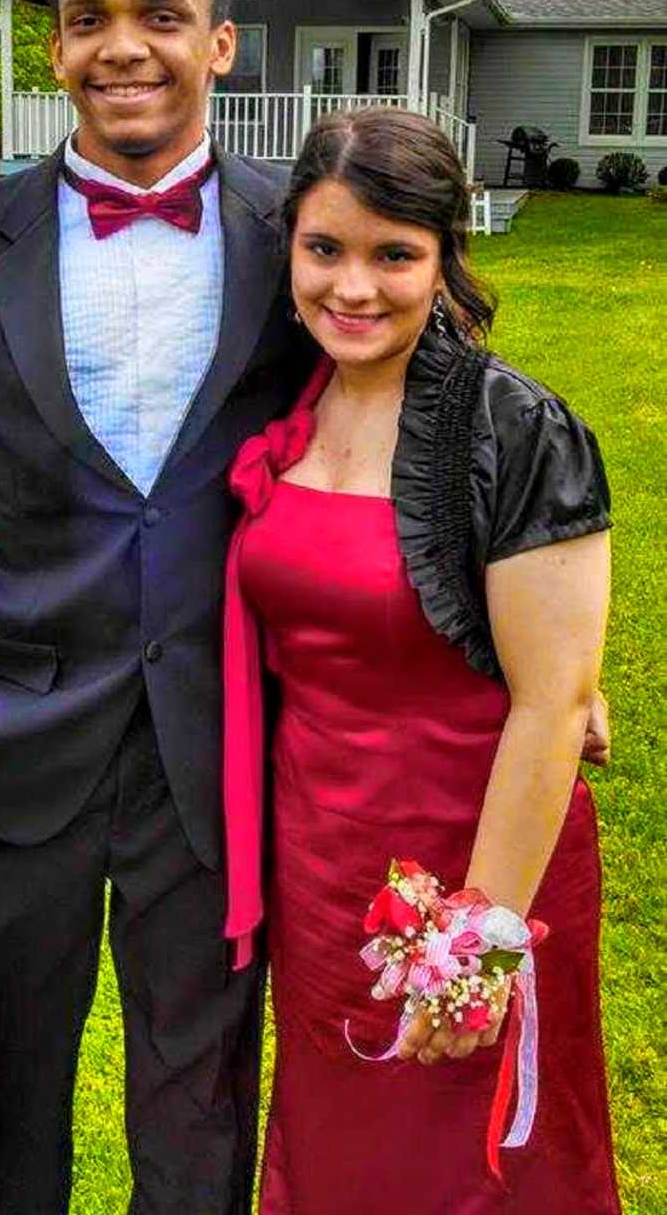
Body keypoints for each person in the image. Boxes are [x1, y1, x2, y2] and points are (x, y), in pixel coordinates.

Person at [0, 0, 311, 1215]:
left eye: (160, 17)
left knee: (201, 1115)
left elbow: (425, 438)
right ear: (55, 53)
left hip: (217, 751)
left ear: (221, 45)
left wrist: (537, 641)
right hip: (1, 738)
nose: (124, 47)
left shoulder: (307, 240)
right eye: (88, 19)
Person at [221, 107, 622, 1213]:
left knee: (474, 1165)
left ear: (445, 257)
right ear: (289, 250)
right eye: (325, 249)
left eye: (395, 254)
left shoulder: (518, 429)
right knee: (340, 1141)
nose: (354, 287)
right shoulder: (279, 404)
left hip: (480, 855)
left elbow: (553, 704)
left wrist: (478, 938)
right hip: (318, 854)